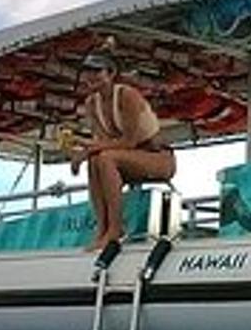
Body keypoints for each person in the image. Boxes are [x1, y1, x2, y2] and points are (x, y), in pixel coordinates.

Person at [74, 50, 175, 252]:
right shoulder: (91, 103)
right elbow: (102, 142)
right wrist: (82, 149)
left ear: (111, 73)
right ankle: (102, 229)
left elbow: (129, 141)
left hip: (159, 158)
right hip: (124, 158)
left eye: (97, 71)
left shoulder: (127, 95)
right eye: (88, 71)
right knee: (97, 160)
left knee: (104, 158)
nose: (91, 76)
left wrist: (88, 149)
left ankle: (115, 228)